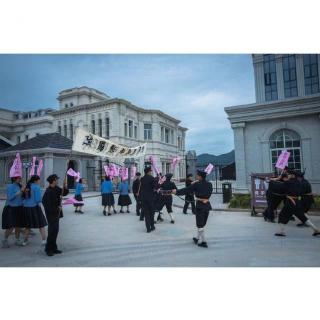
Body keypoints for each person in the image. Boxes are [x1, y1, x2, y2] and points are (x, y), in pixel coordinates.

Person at [273, 170, 320, 237]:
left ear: (293, 175)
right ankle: (315, 229)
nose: (288, 175)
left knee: (281, 216)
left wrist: (272, 181)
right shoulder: (298, 182)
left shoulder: (288, 182)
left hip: (290, 203)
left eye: (289, 174)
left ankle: (281, 231)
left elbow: (279, 188)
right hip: (297, 202)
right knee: (303, 217)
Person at [173, 170, 213, 248]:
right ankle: (197, 238)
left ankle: (204, 242)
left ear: (200, 177)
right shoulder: (209, 184)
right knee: (201, 224)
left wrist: (176, 192)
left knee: (200, 224)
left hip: (200, 206)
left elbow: (186, 190)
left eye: (197, 175)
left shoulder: (196, 184)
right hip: (207, 205)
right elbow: (209, 193)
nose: (196, 177)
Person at [42, 174, 69, 257]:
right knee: (51, 232)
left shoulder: (56, 188)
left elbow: (64, 193)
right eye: (56, 179)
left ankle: (54, 248)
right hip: (51, 215)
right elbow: (46, 204)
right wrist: (57, 208)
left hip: (56, 214)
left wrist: (65, 186)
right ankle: (48, 249)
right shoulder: (48, 192)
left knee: (55, 231)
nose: (57, 180)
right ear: (53, 180)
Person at [22, 175, 47, 246]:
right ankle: (44, 240)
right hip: (34, 207)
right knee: (41, 224)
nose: (40, 181)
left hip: (26, 208)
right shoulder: (36, 187)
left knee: (27, 225)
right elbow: (38, 199)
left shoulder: (27, 186)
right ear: (35, 180)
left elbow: (23, 198)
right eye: (39, 180)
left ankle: (25, 241)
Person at [1, 176, 25, 248]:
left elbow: (22, 197)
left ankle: (17, 240)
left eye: (20, 178)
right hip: (11, 208)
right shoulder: (10, 186)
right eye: (19, 178)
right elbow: (10, 197)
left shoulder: (19, 186)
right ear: (14, 179)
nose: (20, 179)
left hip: (19, 208)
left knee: (18, 225)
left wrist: (24, 192)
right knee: (11, 226)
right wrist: (20, 191)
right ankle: (5, 240)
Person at [140, 167, 159, 233]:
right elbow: (156, 187)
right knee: (151, 213)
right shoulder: (151, 178)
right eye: (150, 171)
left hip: (143, 198)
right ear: (148, 171)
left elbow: (141, 189)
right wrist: (159, 183)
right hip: (151, 198)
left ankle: (148, 228)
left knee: (146, 214)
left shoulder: (142, 179)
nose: (151, 172)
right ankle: (152, 226)